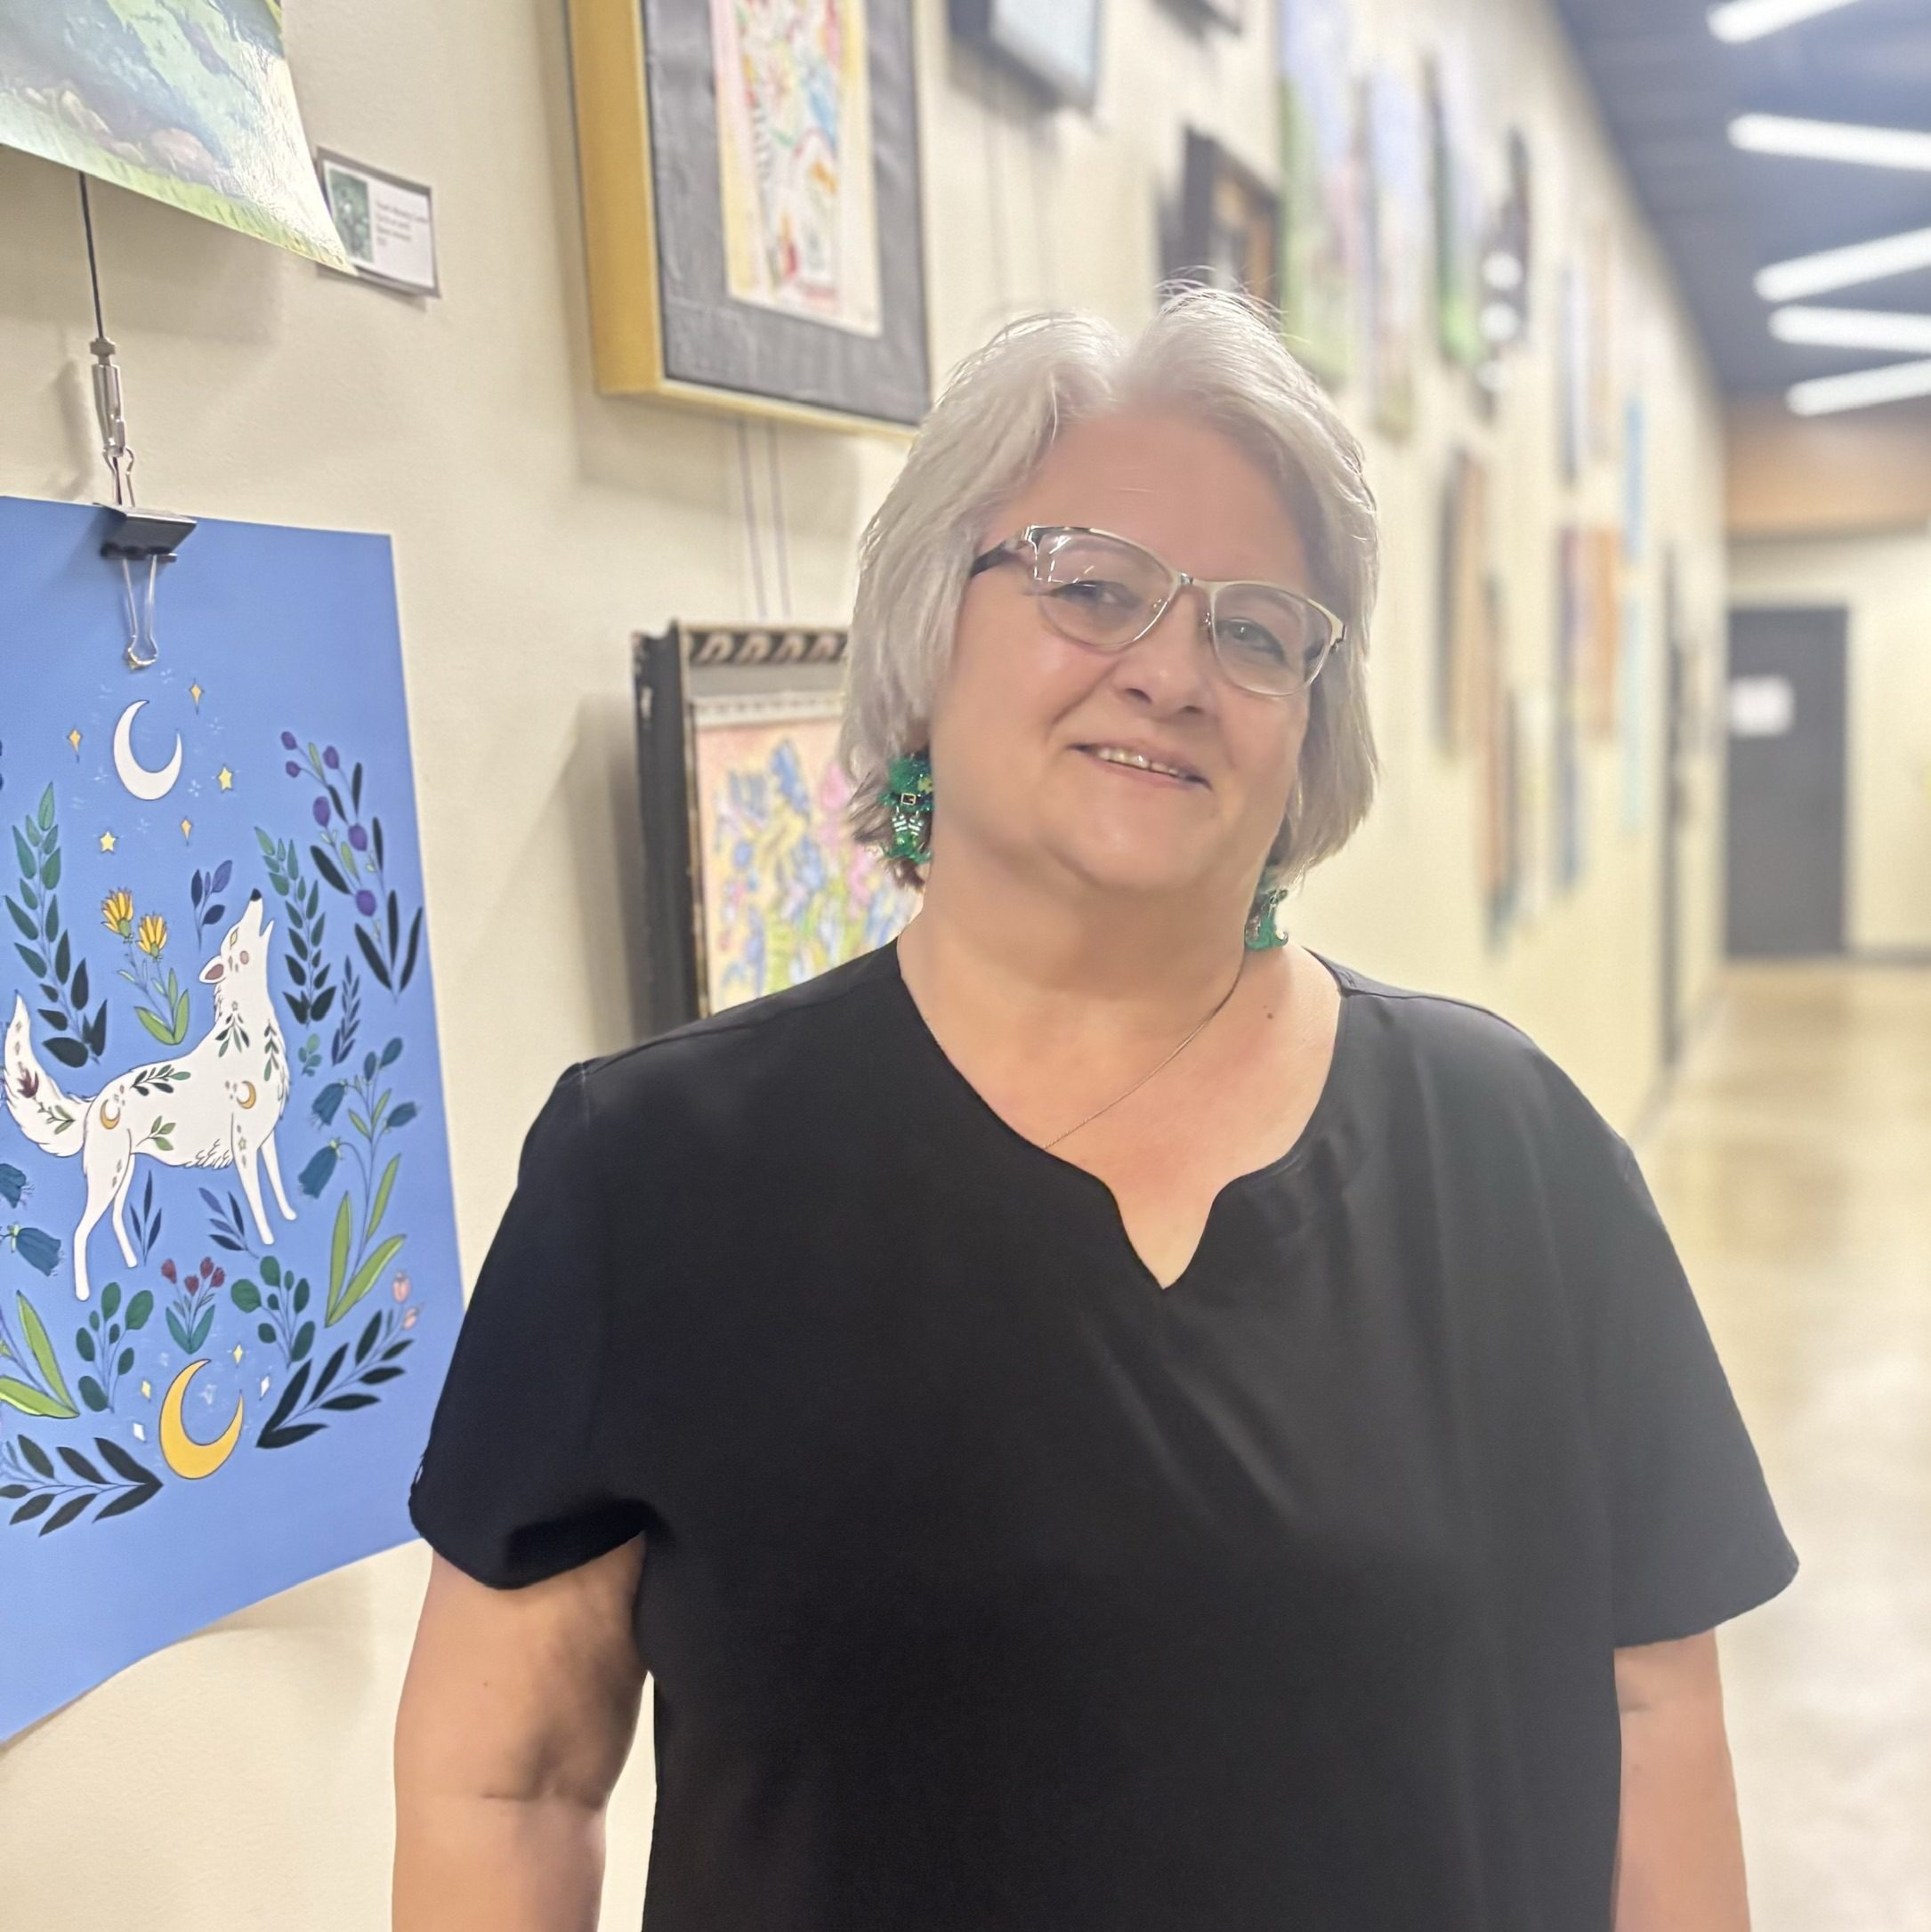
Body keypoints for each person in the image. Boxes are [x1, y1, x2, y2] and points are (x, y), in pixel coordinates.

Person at [393, 287, 1798, 1931]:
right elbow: (508, 1779)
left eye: (1257, 631)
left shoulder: (1513, 1159)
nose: (1175, 672)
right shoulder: (650, 1179)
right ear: (928, 625)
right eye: (1093, 586)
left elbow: (1652, 1710)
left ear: (1309, 727)